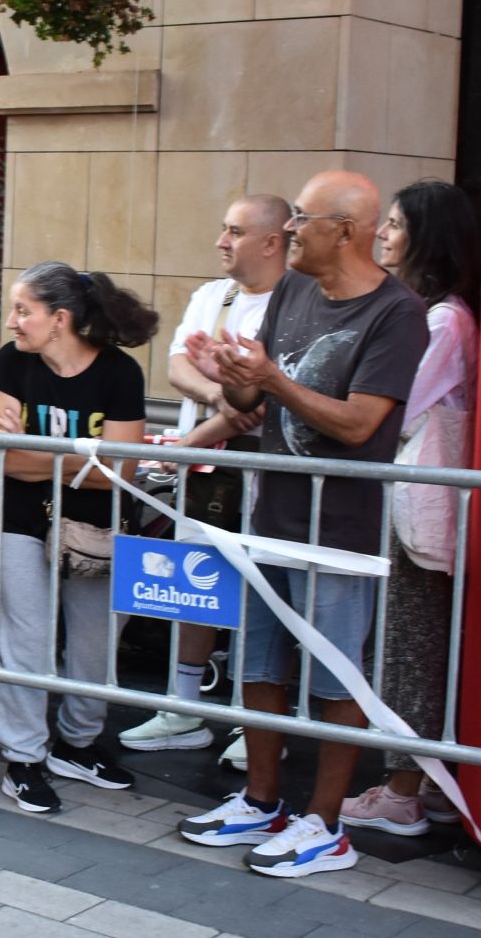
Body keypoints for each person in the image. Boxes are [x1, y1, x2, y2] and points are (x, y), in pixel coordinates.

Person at [174, 173, 428, 875]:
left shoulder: (396, 313)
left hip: (342, 526)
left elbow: (361, 422)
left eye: (302, 221)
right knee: (259, 665)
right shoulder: (290, 290)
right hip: (274, 511)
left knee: (333, 679)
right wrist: (231, 373)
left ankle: (326, 825)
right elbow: (252, 400)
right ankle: (261, 801)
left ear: (345, 231)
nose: (289, 234)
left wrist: (274, 383)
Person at [119, 195, 290, 764]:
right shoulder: (210, 296)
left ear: (271, 241)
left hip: (265, 467)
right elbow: (175, 367)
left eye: (235, 231)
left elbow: (265, 398)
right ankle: (183, 707)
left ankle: (254, 723)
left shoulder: (296, 301)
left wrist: (197, 436)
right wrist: (221, 395)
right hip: (209, 468)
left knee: (261, 591)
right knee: (198, 584)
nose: (221, 240)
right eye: (223, 228)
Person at [0, 261, 156, 814]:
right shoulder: (12, 363)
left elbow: (122, 472)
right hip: (18, 522)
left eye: (22, 311)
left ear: (59, 319)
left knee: (93, 644)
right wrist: (82, 460)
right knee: (25, 643)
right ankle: (24, 758)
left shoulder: (120, 373)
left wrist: (35, 454)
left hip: (100, 530)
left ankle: (77, 745)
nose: (11, 321)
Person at [337, 183, 478, 838]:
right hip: (411, 508)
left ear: (427, 236)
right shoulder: (425, 313)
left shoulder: (444, 321)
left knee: (412, 649)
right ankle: (430, 780)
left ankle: (402, 791)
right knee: (411, 644)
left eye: (395, 225)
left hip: (424, 514)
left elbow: (399, 405)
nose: (384, 234)